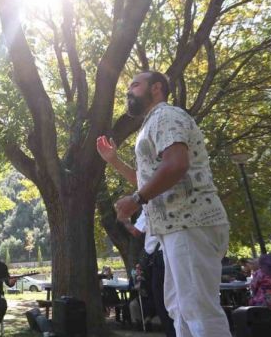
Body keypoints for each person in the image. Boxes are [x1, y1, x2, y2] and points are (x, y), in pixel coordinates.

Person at [97, 71, 231, 337]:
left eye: (135, 85)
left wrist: (137, 199)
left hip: (189, 223)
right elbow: (148, 179)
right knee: (179, 308)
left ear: (156, 88)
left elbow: (176, 165)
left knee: (198, 310)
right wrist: (114, 161)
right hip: (175, 229)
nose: (128, 91)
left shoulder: (166, 116)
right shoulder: (153, 123)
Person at [131, 211, 175, 337]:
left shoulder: (150, 205)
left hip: (160, 257)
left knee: (163, 303)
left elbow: (135, 231)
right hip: (170, 254)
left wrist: (123, 219)